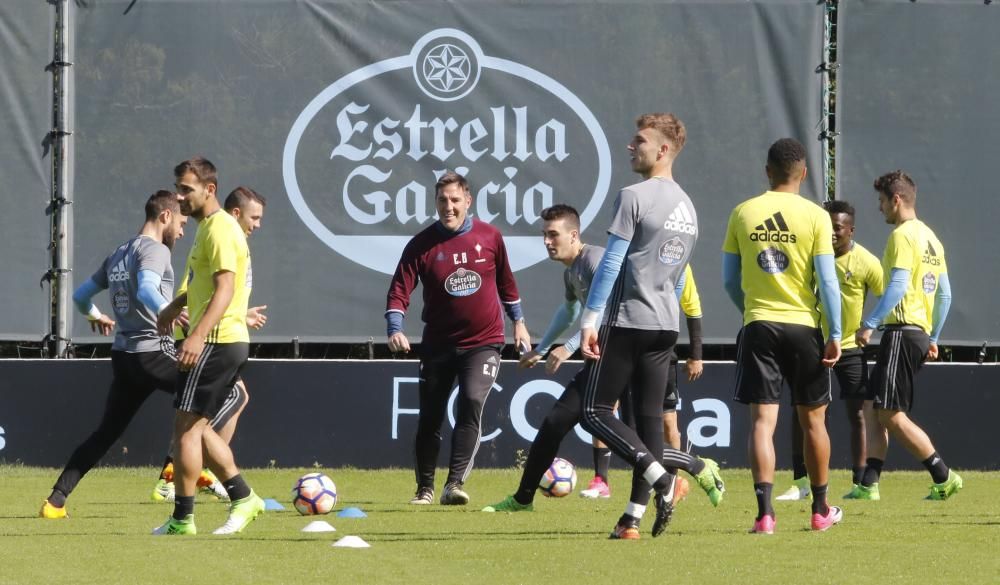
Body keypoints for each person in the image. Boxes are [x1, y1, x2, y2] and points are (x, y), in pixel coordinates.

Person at [578, 113, 724, 540]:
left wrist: (590, 320)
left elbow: (611, 262)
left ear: (662, 150)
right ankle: (631, 520)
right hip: (665, 325)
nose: (630, 146)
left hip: (628, 320)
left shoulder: (633, 195)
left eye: (638, 141)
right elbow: (679, 276)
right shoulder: (689, 207)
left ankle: (664, 480)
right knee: (648, 426)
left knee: (594, 411)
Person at [386, 170, 531, 506]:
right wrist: (395, 328)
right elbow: (398, 292)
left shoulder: (490, 236)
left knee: (470, 402)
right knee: (430, 417)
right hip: (438, 344)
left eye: (454, 200)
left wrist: (519, 323)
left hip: (484, 342)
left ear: (468, 200)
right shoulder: (421, 245)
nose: (448, 207)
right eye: (442, 200)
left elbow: (507, 285)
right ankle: (424, 489)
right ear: (435, 203)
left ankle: (454, 485)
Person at [40, 191, 188, 519]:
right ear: (165, 216)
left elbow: (80, 296)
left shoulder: (118, 253)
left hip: (124, 357)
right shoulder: (156, 250)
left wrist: (94, 315)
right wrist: (169, 311)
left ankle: (55, 501)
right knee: (208, 396)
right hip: (153, 353)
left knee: (106, 433)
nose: (181, 231)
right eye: (180, 222)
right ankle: (181, 475)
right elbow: (149, 288)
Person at [722, 138, 843, 534]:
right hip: (805, 327)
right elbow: (827, 281)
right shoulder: (816, 216)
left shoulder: (743, 212)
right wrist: (836, 332)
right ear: (804, 173)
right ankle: (820, 510)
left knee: (762, 423)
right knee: (814, 423)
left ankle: (765, 516)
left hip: (759, 324)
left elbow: (728, 279)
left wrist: (752, 311)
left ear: (767, 170)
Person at [152, 157, 264, 535]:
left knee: (186, 430)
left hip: (217, 341)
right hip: (224, 341)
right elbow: (202, 285)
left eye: (186, 189)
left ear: (209, 189)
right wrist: (175, 305)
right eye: (178, 187)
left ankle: (187, 518)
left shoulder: (219, 229)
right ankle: (240, 498)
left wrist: (197, 335)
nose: (179, 196)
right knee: (195, 428)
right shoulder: (208, 228)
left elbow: (225, 288)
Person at [846, 170, 960, 501]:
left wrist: (870, 323)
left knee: (890, 415)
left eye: (882, 201)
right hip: (917, 333)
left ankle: (943, 475)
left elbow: (896, 286)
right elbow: (945, 295)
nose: (879, 208)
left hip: (900, 332)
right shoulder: (932, 239)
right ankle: (869, 483)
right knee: (871, 406)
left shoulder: (902, 236)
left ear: (896, 200)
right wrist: (934, 335)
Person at [777, 200, 884, 500]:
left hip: (849, 348)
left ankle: (862, 483)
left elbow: (889, 294)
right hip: (813, 345)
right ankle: (800, 483)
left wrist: (871, 325)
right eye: (827, 227)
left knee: (858, 415)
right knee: (803, 413)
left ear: (851, 229)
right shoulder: (812, 255)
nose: (832, 233)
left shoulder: (866, 261)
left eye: (837, 228)